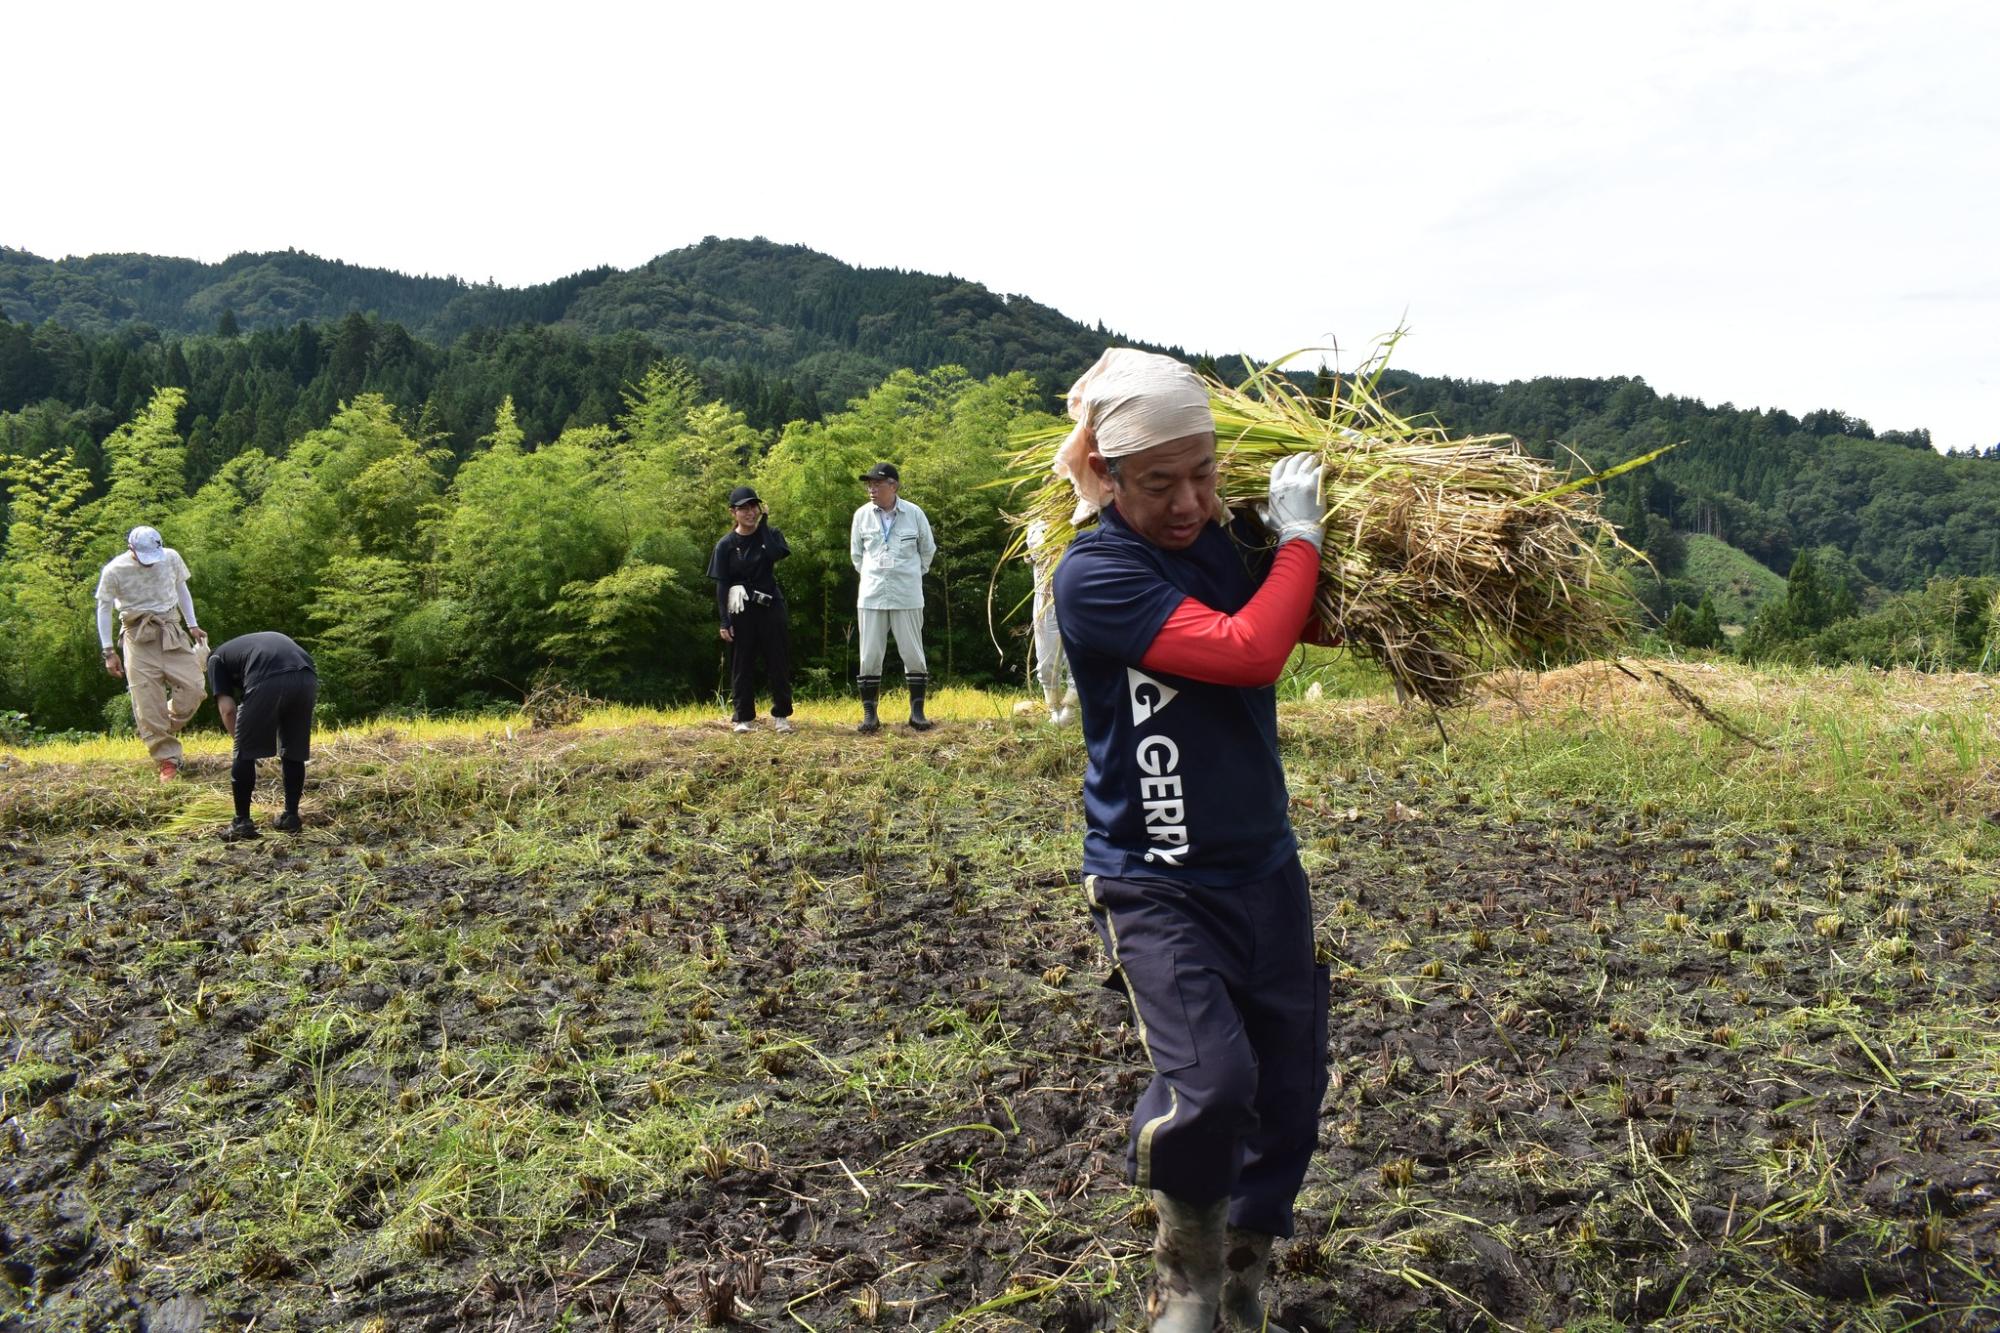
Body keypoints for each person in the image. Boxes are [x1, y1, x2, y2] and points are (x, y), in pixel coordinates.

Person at [1050, 348, 1331, 1333]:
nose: (1187, 502)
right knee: (1210, 1086)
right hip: (1155, 879)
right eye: (1158, 481)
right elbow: (1252, 648)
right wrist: (1300, 543)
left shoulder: (1221, 539)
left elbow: (1307, 619)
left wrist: (1302, 544)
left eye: (1203, 474)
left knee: (1288, 1093)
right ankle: (1187, 1277)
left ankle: (1249, 1271)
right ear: (1108, 476)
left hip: (1263, 865)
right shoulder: (1096, 576)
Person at [94, 524, 208, 781]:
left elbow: (181, 589)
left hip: (170, 629)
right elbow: (103, 609)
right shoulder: (114, 570)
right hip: (137, 635)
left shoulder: (171, 557)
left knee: (194, 687)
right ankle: (168, 759)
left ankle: (156, 727)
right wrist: (108, 651)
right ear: (131, 549)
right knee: (146, 696)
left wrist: (192, 624)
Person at [848, 461, 937, 732]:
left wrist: (909, 575)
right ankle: (870, 716)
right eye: (869, 484)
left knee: (913, 652)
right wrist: (875, 575)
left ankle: (917, 713)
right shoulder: (861, 515)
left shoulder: (914, 513)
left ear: (893, 486)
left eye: (877, 484)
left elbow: (927, 550)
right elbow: (856, 556)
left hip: (907, 594)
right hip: (872, 594)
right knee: (869, 655)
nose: (872, 489)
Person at [206, 631, 318, 841]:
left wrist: (241, 742)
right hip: (307, 675)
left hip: (268, 676)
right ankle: (291, 816)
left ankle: (241, 822)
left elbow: (228, 710)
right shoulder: (242, 648)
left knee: (244, 753)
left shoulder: (214, 659)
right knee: (293, 749)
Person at [707, 485, 795, 734]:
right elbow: (721, 584)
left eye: (753, 507)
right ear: (732, 512)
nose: (749, 513)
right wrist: (724, 621)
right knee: (741, 663)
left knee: (777, 660)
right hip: (741, 608)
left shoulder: (771, 534)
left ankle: (782, 716)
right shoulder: (725, 544)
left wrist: (764, 523)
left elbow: (777, 554)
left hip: (771, 606)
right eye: (743, 508)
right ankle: (743, 717)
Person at [1025, 518, 1077, 724]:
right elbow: (1033, 555)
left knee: (1077, 658)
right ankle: (1053, 710)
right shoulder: (1035, 526)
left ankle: (1071, 709)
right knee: (1046, 664)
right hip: (1045, 599)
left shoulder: (1081, 521)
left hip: (1076, 596)